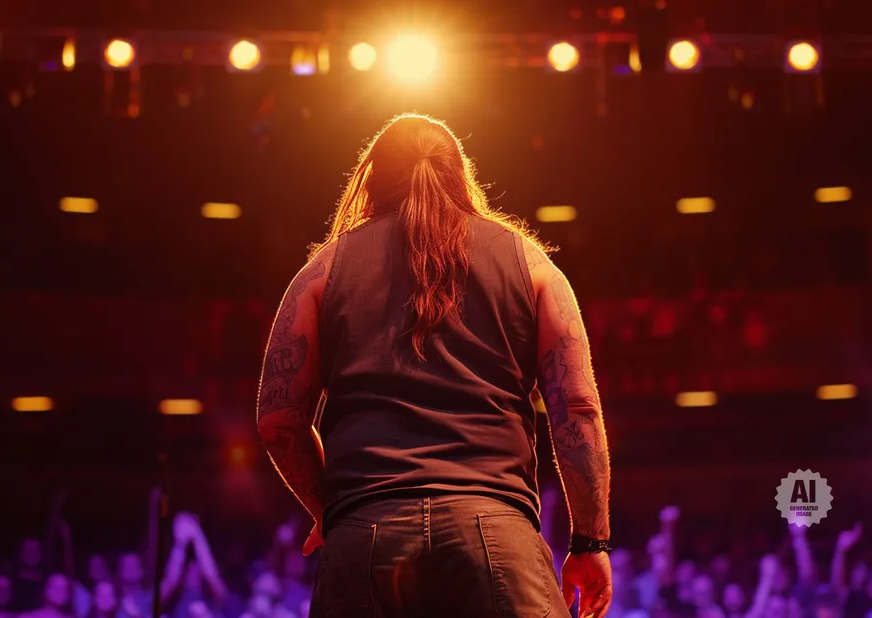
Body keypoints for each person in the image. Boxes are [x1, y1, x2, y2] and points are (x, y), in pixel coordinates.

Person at [256, 113, 613, 617]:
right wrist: (590, 543)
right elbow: (576, 408)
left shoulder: (321, 273)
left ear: (372, 180)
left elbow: (277, 422)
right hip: (497, 537)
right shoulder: (532, 267)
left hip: (365, 535)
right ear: (460, 176)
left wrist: (330, 509)